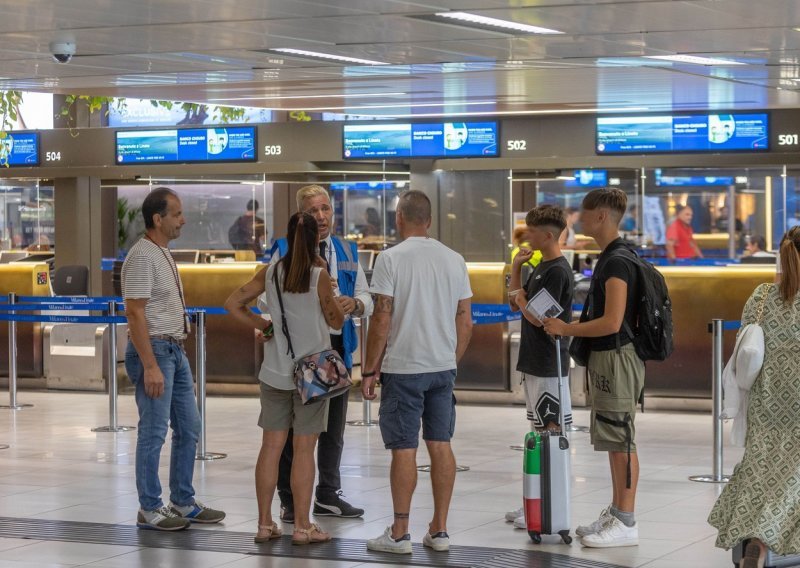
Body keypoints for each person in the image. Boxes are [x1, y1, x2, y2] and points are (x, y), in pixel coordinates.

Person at [362, 190, 473, 554]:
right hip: (442, 368)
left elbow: (381, 318)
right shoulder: (454, 259)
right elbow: (465, 320)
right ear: (429, 220)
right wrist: (450, 358)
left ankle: (399, 533)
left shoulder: (390, 259)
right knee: (441, 445)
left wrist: (369, 369)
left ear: (399, 219)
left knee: (404, 450)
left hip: (404, 369)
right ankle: (439, 530)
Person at [224, 212, 345, 545]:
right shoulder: (318, 275)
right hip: (313, 376)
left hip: (275, 372)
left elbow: (233, 303)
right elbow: (335, 321)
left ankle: (264, 524)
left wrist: (263, 325)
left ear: (289, 238)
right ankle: (303, 528)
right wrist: (336, 297)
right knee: (304, 450)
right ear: (313, 241)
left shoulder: (271, 272)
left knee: (271, 447)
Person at [543, 188, 644, 548]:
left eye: (583, 214)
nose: (578, 220)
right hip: (609, 358)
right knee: (613, 438)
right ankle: (618, 513)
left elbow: (613, 321)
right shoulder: (611, 257)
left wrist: (566, 328)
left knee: (621, 438)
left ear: (601, 216)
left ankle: (627, 521)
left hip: (617, 357)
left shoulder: (617, 261)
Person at [122, 187, 226, 531]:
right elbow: (135, 313)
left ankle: (182, 501)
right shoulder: (142, 256)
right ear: (158, 219)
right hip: (155, 352)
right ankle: (149, 507)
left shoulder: (162, 252)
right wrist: (150, 365)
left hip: (174, 350)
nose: (183, 219)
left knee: (189, 428)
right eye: (177, 214)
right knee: (153, 432)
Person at [269, 184, 373, 522]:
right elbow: (265, 299)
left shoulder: (346, 249)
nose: (322, 216)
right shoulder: (283, 249)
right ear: (302, 216)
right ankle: (288, 500)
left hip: (336, 350)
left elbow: (365, 297)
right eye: (314, 211)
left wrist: (355, 304)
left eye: (326, 209)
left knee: (333, 429)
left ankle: (328, 494)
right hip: (298, 352)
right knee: (293, 430)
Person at [708, 227, 800, 568]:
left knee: (762, 468)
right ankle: (762, 540)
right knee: (793, 478)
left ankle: (754, 543)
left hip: (767, 399)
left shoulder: (761, 296)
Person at [504, 204, 574, 529]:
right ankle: (537, 502)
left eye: (531, 231)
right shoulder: (541, 266)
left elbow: (538, 317)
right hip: (534, 363)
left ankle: (550, 502)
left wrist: (520, 298)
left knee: (551, 432)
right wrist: (517, 269)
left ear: (547, 235)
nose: (526, 236)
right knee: (537, 433)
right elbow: (516, 299)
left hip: (549, 365)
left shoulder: (558, 270)